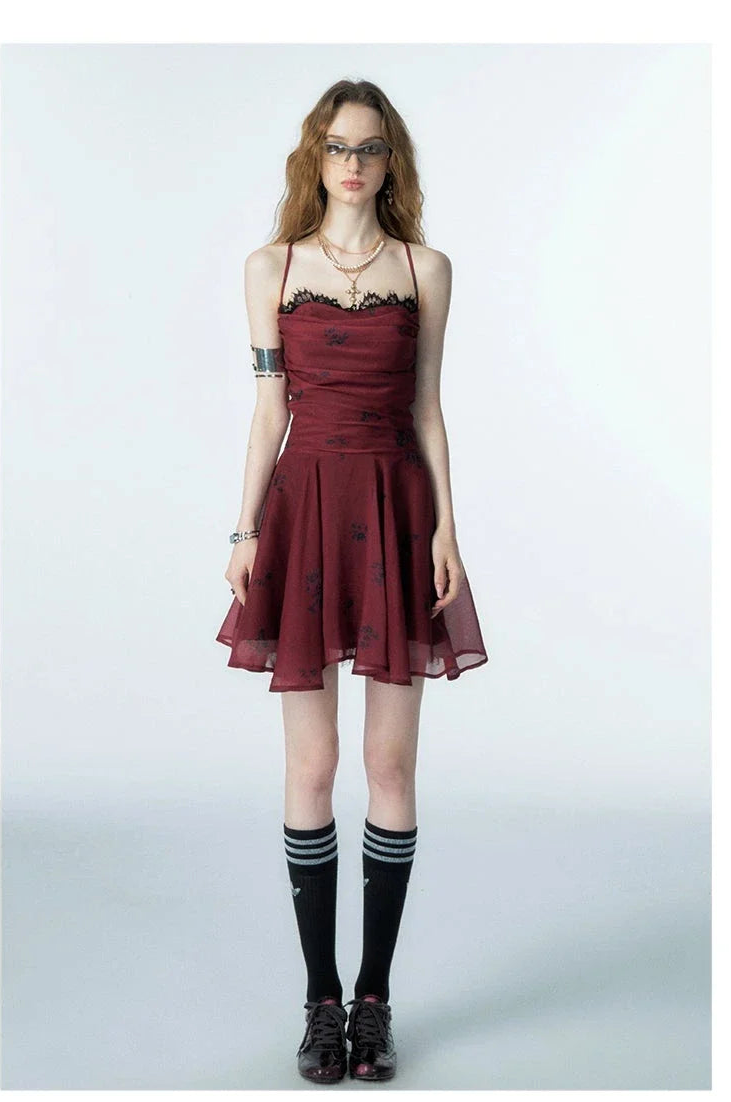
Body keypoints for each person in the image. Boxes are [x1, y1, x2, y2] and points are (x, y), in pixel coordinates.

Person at [216, 78, 489, 1084]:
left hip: (397, 508)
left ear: (390, 161)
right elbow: (267, 410)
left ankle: (373, 1000)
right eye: (338, 145)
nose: (353, 163)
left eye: (370, 148)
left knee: (390, 766)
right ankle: (319, 1002)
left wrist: (448, 527)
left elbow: (428, 405)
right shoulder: (272, 266)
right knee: (312, 765)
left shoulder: (426, 268)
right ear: (315, 154)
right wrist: (246, 527)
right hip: (305, 510)